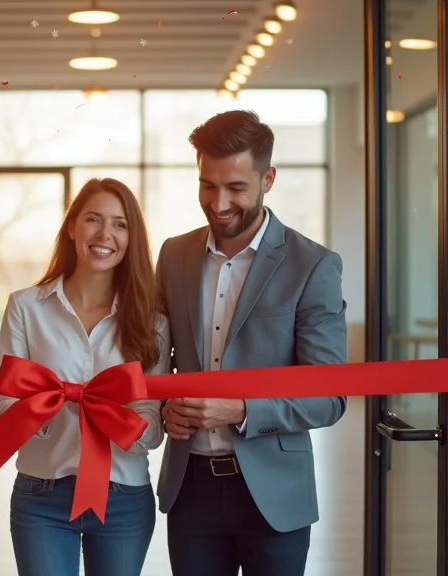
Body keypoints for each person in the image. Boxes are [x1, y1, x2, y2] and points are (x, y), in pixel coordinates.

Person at [157, 110, 348, 576]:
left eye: (236, 188)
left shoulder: (313, 266)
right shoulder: (173, 255)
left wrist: (240, 408)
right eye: (207, 185)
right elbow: (158, 362)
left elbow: (330, 397)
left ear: (269, 179)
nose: (218, 202)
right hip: (191, 491)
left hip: (275, 494)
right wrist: (163, 407)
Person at [0, 178, 171, 576]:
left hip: (123, 496)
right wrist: (45, 410)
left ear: (131, 238)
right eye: (93, 219)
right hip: (40, 495)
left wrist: (115, 420)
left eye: (120, 224)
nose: (105, 234)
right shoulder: (25, 307)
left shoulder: (152, 322)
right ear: (72, 227)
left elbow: (154, 425)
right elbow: (5, 402)